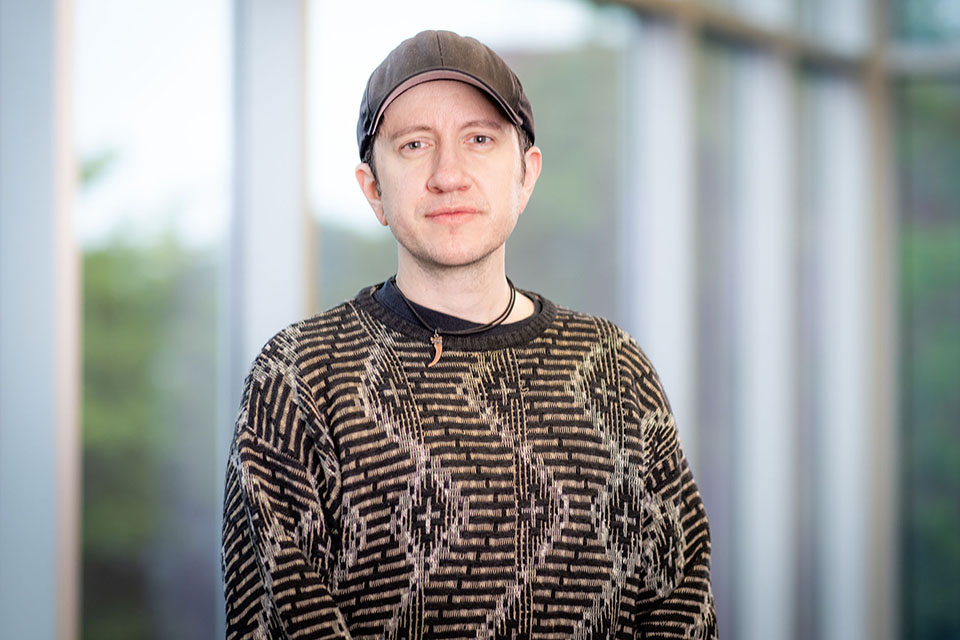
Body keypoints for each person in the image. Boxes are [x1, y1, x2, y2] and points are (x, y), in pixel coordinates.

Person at [221, 29, 716, 639]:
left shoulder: (614, 368)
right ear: (373, 188)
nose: (447, 174)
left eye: (478, 139)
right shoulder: (300, 377)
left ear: (525, 175)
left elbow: (682, 609)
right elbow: (279, 622)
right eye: (413, 144)